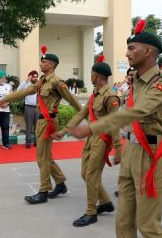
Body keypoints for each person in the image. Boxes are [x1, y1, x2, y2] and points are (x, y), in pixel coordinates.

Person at [68, 19, 162, 237]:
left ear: (148, 51)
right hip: (132, 152)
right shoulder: (134, 81)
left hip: (152, 154)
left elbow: (136, 111)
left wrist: (92, 128)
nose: (127, 53)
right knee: (124, 223)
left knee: (148, 225)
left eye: (131, 48)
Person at [0, 46, 81, 204]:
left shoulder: (57, 82)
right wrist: (6, 98)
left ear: (51, 64)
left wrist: (86, 116)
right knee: (46, 156)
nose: (40, 64)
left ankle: (43, 191)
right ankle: (60, 183)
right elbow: (26, 91)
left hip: (48, 122)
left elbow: (72, 100)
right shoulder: (43, 81)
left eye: (43, 62)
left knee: (41, 157)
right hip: (42, 121)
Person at [52, 56, 121, 227]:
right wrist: (63, 131)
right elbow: (81, 115)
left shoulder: (111, 97)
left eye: (91, 73)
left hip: (103, 140)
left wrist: (118, 149)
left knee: (91, 176)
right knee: (85, 174)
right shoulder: (95, 95)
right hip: (92, 138)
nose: (90, 76)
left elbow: (115, 124)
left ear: (97, 75)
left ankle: (91, 212)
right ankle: (105, 202)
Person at [17, 70, 39, 149]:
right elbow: (18, 91)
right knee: (29, 126)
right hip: (28, 107)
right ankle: (28, 142)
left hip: (37, 108)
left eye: (36, 77)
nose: (35, 78)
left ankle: (37, 142)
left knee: (37, 126)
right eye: (34, 77)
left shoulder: (38, 85)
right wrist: (25, 82)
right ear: (30, 77)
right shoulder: (27, 85)